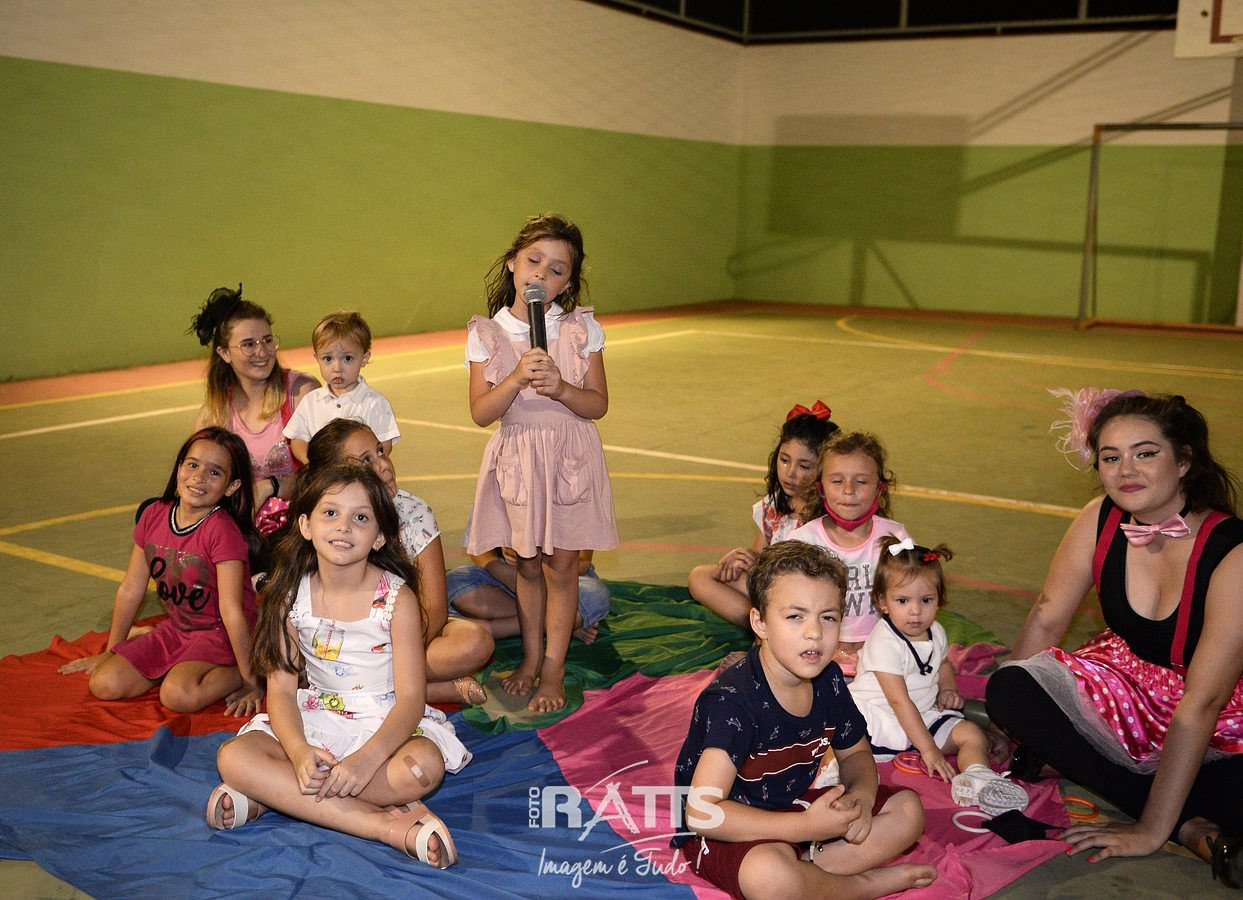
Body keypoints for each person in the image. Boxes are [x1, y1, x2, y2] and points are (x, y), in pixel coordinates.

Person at [986, 390, 1243, 887]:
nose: (1126, 470)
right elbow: (1047, 615)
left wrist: (1149, 832)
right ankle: (1190, 826)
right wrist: (1006, 725)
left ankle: (1158, 805)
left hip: (1215, 712)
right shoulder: (1100, 517)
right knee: (1011, 687)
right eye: (1111, 457)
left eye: (1145, 453)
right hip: (1124, 688)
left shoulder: (1232, 551)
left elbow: (1204, 702)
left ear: (1184, 461)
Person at [208, 464, 469, 869]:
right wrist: (298, 753)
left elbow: (411, 700)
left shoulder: (397, 600)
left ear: (379, 537)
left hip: (386, 727)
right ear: (305, 525)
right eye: (330, 513)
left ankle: (273, 794)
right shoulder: (288, 596)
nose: (344, 526)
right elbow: (281, 692)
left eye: (361, 517)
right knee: (233, 757)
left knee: (421, 770)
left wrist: (366, 760)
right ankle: (385, 825)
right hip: (317, 721)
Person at [671, 541, 935, 899]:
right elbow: (702, 814)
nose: (814, 632)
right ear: (760, 622)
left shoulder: (829, 680)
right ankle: (861, 886)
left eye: (828, 617)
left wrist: (860, 798)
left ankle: (808, 874)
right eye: (795, 616)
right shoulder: (732, 703)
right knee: (769, 876)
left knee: (908, 810)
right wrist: (805, 827)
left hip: (796, 809)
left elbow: (856, 754)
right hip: (730, 831)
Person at [465, 213, 618, 713]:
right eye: (533, 261)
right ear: (512, 263)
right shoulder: (487, 333)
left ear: (567, 283)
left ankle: (553, 667)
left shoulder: (580, 329)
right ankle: (531, 659)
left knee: (563, 567)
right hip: (519, 463)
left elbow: (597, 404)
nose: (541, 275)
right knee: (526, 565)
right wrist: (514, 379)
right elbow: (481, 412)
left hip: (568, 459)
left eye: (556, 270)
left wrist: (563, 389)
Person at [58, 428, 264, 717]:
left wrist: (251, 681)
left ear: (232, 486)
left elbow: (231, 610)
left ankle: (251, 668)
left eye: (215, 472)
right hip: (178, 629)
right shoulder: (154, 515)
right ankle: (176, 665)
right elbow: (131, 589)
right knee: (105, 683)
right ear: (179, 468)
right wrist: (111, 650)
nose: (199, 477)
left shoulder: (221, 530)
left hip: (221, 635)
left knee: (177, 695)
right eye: (193, 465)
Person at [306, 419, 495, 705]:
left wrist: (397, 655)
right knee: (306, 655)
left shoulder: (413, 512)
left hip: (405, 636)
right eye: (366, 460)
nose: (384, 465)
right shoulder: (323, 522)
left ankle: (358, 685)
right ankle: (426, 690)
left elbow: (434, 608)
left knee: (475, 642)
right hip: (340, 641)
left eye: (380, 451)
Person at [848, 536, 993, 793]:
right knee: (843, 738)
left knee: (972, 734)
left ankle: (978, 777)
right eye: (903, 601)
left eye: (926, 600)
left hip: (922, 714)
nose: (915, 611)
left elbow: (943, 663)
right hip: (879, 715)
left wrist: (948, 689)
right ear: (882, 602)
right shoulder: (884, 641)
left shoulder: (936, 631)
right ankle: (836, 771)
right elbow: (898, 701)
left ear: (940, 600)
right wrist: (929, 750)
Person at [688, 401, 838, 629]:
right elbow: (760, 555)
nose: (790, 473)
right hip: (771, 588)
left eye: (805, 466)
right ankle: (767, 625)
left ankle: (772, 626)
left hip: (809, 596)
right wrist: (742, 558)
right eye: (784, 460)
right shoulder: (773, 506)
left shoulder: (828, 516)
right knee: (700, 577)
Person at [189, 284, 318, 530]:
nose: (262, 351)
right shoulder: (213, 414)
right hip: (243, 530)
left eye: (267, 340)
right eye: (248, 344)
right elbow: (198, 481)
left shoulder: (301, 393)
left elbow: (329, 471)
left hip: (303, 527)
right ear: (224, 353)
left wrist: (271, 486)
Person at [787, 431, 911, 677]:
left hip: (884, 657)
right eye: (837, 481)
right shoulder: (802, 542)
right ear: (821, 488)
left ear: (879, 488)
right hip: (819, 655)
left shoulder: (896, 538)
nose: (848, 490)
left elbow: (913, 597)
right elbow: (788, 611)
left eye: (861, 482)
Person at [283, 310, 400, 465]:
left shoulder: (375, 402)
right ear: (317, 358)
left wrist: (368, 464)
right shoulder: (311, 401)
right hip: (324, 477)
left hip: (362, 476)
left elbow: (385, 444)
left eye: (347, 358)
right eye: (328, 359)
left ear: (364, 359)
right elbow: (298, 439)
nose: (337, 368)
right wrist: (312, 465)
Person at [446, 545, 609, 644]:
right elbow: (478, 550)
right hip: (507, 579)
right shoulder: (493, 498)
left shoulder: (575, 499)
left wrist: (534, 565)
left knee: (595, 595)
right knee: (455, 580)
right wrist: (499, 568)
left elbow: (582, 564)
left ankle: (493, 628)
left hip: (557, 581)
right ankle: (561, 624)